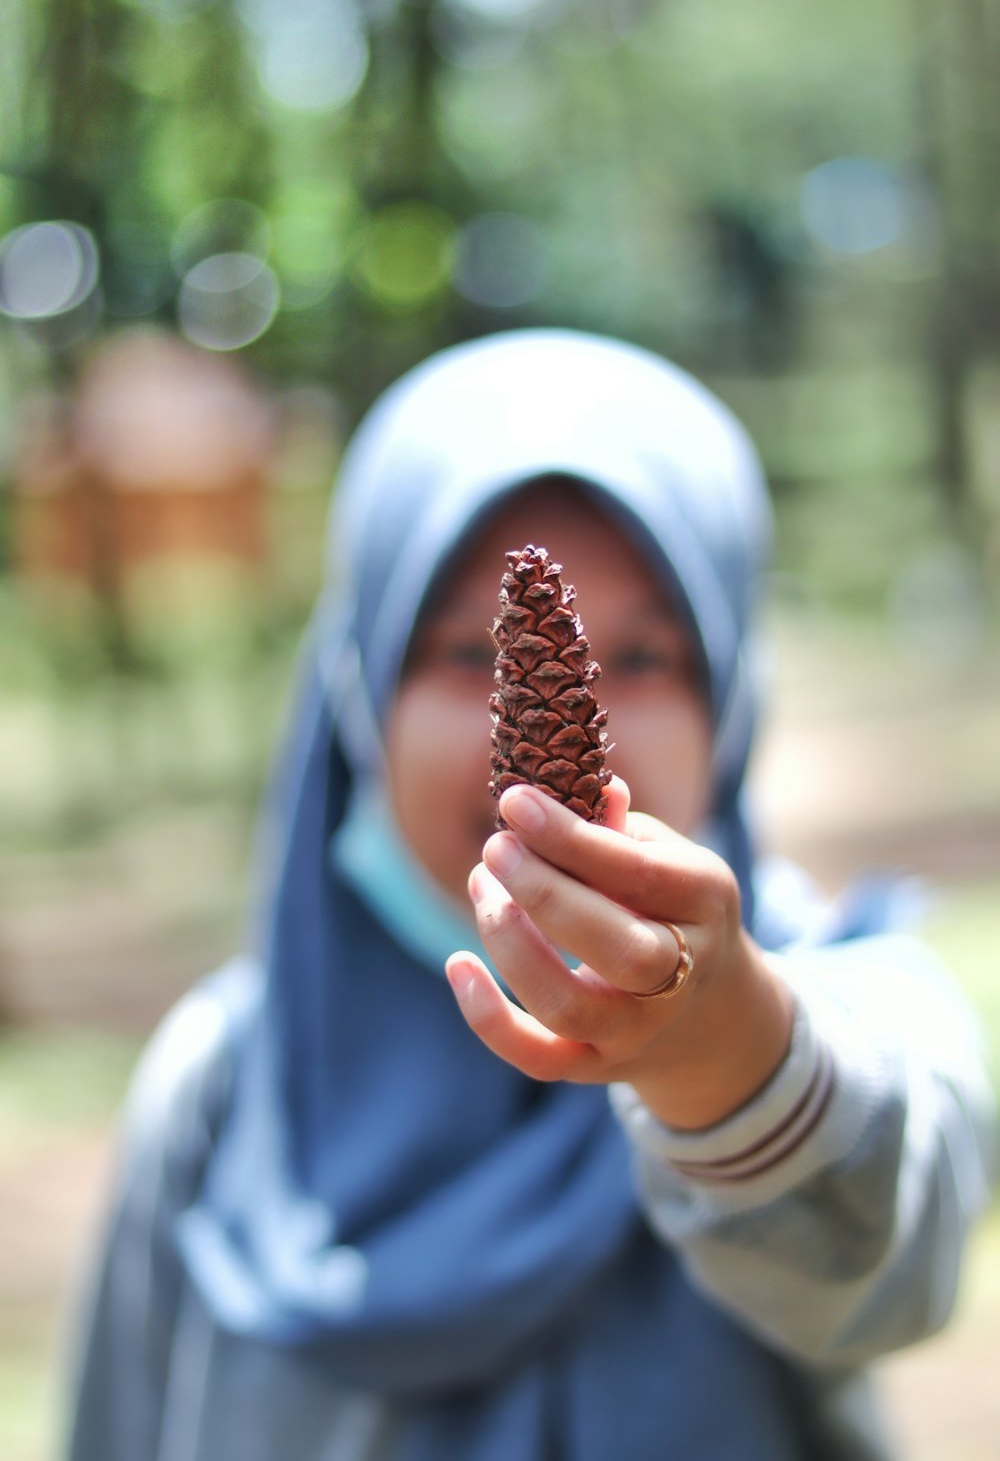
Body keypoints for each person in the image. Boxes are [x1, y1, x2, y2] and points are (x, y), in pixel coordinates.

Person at [65, 330, 995, 1461]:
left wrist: (729, 1060)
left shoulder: (849, 997)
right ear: (361, 696)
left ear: (733, 707)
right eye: (469, 652)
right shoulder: (220, 1089)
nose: (549, 740)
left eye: (646, 658)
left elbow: (887, 1246)